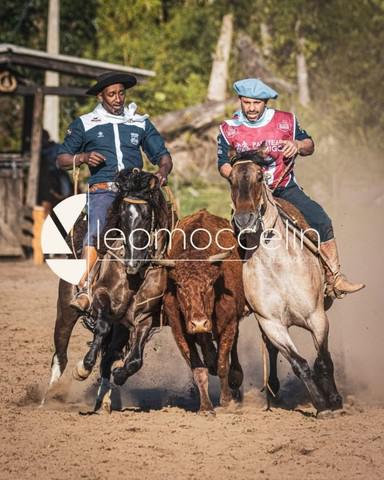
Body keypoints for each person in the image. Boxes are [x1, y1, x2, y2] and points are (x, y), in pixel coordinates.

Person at [217, 77, 364, 297]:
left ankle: (335, 277)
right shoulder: (229, 128)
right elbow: (222, 165)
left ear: (265, 102)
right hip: (248, 193)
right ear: (240, 101)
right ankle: (238, 291)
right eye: (246, 103)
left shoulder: (286, 120)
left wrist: (296, 145)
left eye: (256, 103)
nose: (251, 108)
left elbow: (310, 145)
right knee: (235, 234)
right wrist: (240, 176)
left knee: (320, 219)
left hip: (284, 188)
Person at [57, 71, 173, 311]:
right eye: (111, 94)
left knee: (169, 222)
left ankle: (174, 283)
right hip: (104, 191)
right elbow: (62, 159)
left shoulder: (139, 122)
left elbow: (162, 155)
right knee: (96, 227)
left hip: (138, 190)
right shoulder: (85, 123)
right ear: (101, 96)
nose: (118, 98)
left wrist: (162, 171)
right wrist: (83, 157)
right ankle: (85, 287)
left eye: (121, 93)